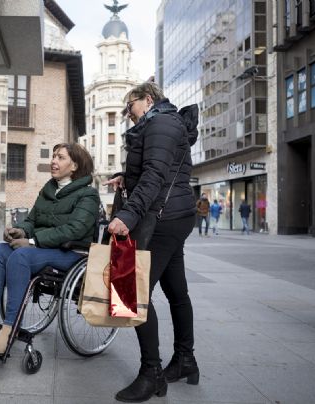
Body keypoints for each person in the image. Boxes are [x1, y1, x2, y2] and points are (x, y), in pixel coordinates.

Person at [105, 82, 199, 402]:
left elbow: (155, 174)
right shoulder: (164, 122)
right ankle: (185, 360)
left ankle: (152, 373)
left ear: (147, 99)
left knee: (131, 291)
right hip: (173, 215)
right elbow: (158, 167)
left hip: (163, 218)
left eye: (128, 107)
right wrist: (124, 177)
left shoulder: (159, 123)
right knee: (176, 290)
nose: (127, 114)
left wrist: (128, 216)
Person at [0, 143, 99, 354]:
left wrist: (33, 242)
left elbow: (75, 230)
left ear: (74, 165)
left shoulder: (88, 195)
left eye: (60, 157)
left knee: (21, 256)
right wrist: (20, 231)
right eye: (53, 156)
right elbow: (32, 220)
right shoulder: (48, 190)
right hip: (42, 249)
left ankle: (9, 329)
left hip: (71, 253)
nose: (53, 161)